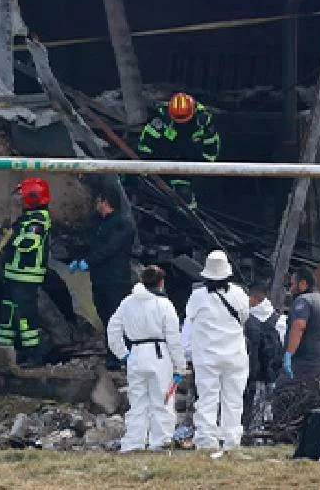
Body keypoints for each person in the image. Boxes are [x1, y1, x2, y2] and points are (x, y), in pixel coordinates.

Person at [106, 266, 185, 452]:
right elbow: (174, 338)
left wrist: (123, 353)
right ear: (161, 283)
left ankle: (133, 443)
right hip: (159, 355)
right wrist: (179, 367)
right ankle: (160, 442)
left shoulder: (128, 302)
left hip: (136, 354)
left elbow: (113, 329)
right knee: (162, 402)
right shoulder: (164, 304)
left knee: (137, 402)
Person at [184, 250, 249, 451]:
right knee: (234, 400)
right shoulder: (239, 294)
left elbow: (189, 326)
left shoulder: (197, 297)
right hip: (235, 355)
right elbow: (244, 318)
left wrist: (186, 354)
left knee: (207, 399)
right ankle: (231, 439)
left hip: (207, 357)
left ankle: (206, 439)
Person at [71, 185, 137, 363]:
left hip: (116, 279)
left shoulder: (122, 224)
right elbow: (92, 245)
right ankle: (113, 352)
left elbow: (110, 248)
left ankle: (120, 355)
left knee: (116, 318)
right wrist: (80, 258)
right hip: (100, 279)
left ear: (105, 202)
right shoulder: (100, 223)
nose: (96, 205)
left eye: (98, 201)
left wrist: (89, 261)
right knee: (106, 316)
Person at [0, 177, 52, 367]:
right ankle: (6, 352)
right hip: (14, 275)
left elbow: (28, 242)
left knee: (25, 316)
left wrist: (10, 238)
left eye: (23, 198)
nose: (20, 201)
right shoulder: (27, 218)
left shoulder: (39, 220)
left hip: (26, 277)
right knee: (9, 314)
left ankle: (34, 354)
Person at [137, 92, 221, 209]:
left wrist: (207, 166)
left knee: (184, 193)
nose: (182, 122)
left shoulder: (203, 120)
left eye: (184, 119)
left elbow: (211, 143)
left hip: (191, 159)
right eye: (178, 119)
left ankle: (187, 219)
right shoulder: (162, 117)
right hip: (165, 155)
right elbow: (148, 138)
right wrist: (144, 160)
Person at [243, 281, 285, 431]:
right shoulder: (279, 319)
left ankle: (252, 431)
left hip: (252, 372)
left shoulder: (246, 319)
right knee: (269, 406)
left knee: (252, 406)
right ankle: (266, 432)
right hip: (272, 372)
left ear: (254, 298)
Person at [282, 268, 320, 382]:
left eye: (292, 284)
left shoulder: (303, 301)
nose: (290, 289)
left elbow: (299, 327)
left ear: (303, 284)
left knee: (282, 392)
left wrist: (288, 354)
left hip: (306, 365)